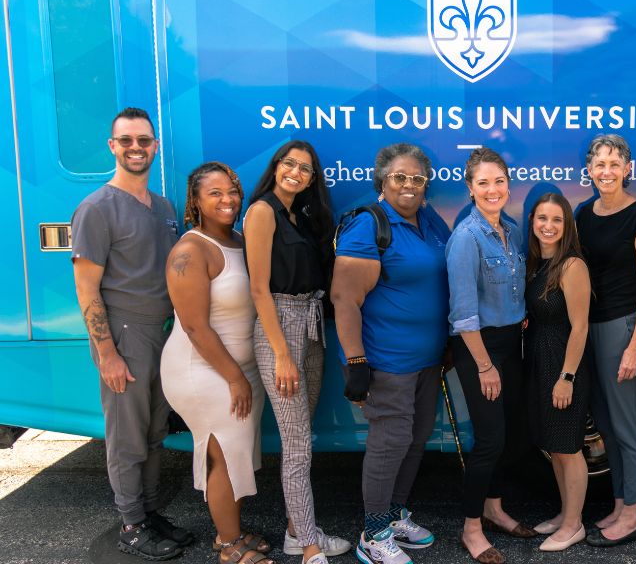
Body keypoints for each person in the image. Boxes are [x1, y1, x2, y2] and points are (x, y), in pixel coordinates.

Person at [71, 107, 192, 561]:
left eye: (144, 140)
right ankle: (131, 524)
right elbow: (86, 289)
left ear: (155, 146)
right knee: (126, 437)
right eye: (127, 141)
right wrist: (107, 354)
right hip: (125, 334)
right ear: (112, 147)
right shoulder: (96, 208)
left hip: (165, 336)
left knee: (155, 431)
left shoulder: (162, 208)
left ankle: (149, 511)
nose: (136, 148)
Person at [331, 143, 452, 564]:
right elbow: (344, 299)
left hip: (428, 359)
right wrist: (356, 363)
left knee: (415, 439)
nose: (409, 185)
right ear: (383, 179)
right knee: (390, 442)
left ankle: (396, 515)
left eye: (417, 178)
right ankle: (374, 532)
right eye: (400, 176)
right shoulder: (369, 225)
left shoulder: (429, 220)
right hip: (387, 362)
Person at [160, 162, 272, 564]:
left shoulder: (242, 239)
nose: (228, 200)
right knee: (221, 451)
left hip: (239, 370)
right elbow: (193, 326)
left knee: (238, 451)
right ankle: (228, 545)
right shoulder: (190, 250)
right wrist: (234, 378)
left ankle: (232, 531)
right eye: (215, 194)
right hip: (203, 370)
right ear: (196, 201)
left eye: (233, 192)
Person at [244, 141, 350, 564]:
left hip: (310, 325)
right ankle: (308, 546)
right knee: (297, 445)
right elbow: (258, 289)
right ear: (276, 167)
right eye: (290, 164)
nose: (296, 172)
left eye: (305, 168)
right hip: (280, 330)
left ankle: (296, 531)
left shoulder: (300, 216)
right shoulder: (262, 211)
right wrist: (282, 354)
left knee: (301, 436)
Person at [446, 147, 535, 564]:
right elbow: (463, 315)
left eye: (499, 181)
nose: (492, 189)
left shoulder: (513, 229)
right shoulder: (465, 238)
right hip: (478, 350)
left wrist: (519, 317)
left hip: (509, 344)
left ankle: (495, 507)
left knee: (513, 438)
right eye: (482, 182)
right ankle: (472, 528)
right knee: (489, 441)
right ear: (470, 188)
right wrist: (485, 366)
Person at [575, 134, 636, 548]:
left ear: (628, 169)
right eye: (599, 164)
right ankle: (620, 502)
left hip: (623, 327)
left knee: (627, 427)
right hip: (587, 329)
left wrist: (634, 346)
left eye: (615, 164)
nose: (606, 171)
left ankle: (634, 514)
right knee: (607, 427)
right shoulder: (582, 214)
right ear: (588, 170)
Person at [524, 193, 591, 552]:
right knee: (554, 446)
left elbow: (580, 328)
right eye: (541, 219)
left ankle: (573, 524)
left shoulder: (572, 266)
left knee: (568, 447)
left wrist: (567, 377)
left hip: (564, 364)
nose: (548, 226)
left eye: (556, 220)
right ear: (532, 222)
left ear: (566, 227)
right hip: (539, 361)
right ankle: (566, 513)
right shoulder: (537, 264)